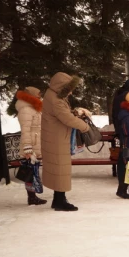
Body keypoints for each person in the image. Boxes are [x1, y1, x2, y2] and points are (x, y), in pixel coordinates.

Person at [41, 72, 90, 211]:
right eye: (69, 88)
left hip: (55, 137)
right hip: (56, 138)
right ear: (62, 86)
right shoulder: (56, 100)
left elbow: (63, 114)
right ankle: (59, 201)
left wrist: (73, 113)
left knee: (59, 169)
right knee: (61, 169)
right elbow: (66, 118)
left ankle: (59, 198)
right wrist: (85, 127)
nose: (71, 91)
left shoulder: (53, 95)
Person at [14, 87, 47, 205]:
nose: (40, 96)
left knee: (33, 171)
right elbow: (25, 130)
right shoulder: (26, 109)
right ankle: (31, 197)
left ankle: (32, 196)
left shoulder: (34, 107)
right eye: (38, 94)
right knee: (29, 172)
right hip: (30, 145)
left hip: (35, 143)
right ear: (32, 95)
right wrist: (27, 148)